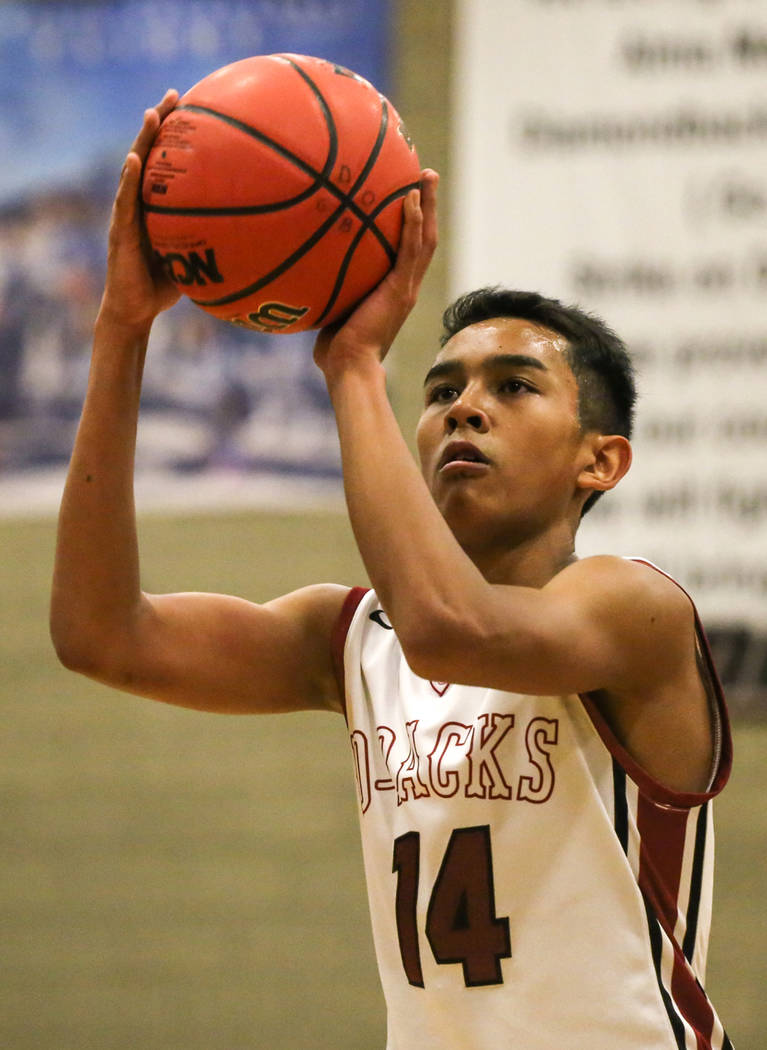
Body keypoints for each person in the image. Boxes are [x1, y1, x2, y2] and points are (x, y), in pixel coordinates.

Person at [51, 92, 733, 1050]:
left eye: (513, 387)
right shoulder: (356, 640)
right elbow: (99, 635)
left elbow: (454, 629)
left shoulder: (634, 609)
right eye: (442, 389)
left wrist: (354, 364)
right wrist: (122, 330)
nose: (463, 408)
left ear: (600, 461)